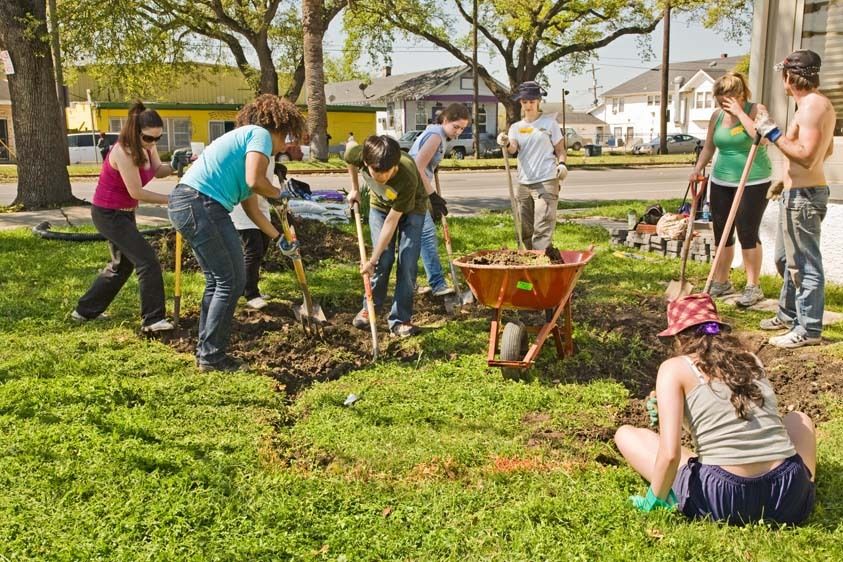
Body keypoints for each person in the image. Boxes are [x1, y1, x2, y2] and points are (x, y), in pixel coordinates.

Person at [614, 293, 816, 525]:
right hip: (787, 495)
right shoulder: (750, 359)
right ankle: (806, 487)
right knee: (799, 418)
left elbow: (670, 454)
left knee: (627, 434)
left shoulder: (673, 368)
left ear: (679, 338)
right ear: (720, 330)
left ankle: (668, 496)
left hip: (723, 498)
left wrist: (653, 502)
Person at [168, 95, 305, 372]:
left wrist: (279, 239)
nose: (283, 146)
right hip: (201, 204)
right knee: (231, 281)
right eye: (287, 137)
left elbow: (252, 207)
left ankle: (206, 353)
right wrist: (283, 193)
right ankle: (212, 358)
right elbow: (257, 181)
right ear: (280, 128)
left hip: (188, 204)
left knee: (217, 281)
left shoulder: (244, 147)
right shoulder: (259, 135)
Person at [754, 50, 836, 349]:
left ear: (789, 77)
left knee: (804, 264)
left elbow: (808, 156)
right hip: (795, 192)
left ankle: (809, 328)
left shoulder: (813, 106)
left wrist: (772, 132)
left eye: (783, 76)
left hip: (804, 198)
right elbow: (825, 152)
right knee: (785, 259)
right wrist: (784, 179)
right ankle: (789, 314)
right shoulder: (810, 106)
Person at [73, 102, 174, 332]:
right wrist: (170, 199)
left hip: (125, 214)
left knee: (121, 266)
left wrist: (180, 164)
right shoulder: (123, 151)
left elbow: (158, 170)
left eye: (158, 139)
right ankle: (153, 320)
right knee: (147, 260)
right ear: (136, 131)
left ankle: (84, 311)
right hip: (108, 214)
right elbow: (136, 192)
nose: (153, 143)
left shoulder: (147, 147)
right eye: (149, 138)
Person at [690, 72, 772, 306]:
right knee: (721, 232)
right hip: (721, 181)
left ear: (740, 95)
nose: (722, 105)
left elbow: (761, 137)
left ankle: (752, 286)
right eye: (719, 100)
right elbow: (709, 147)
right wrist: (698, 169)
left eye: (727, 100)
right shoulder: (716, 116)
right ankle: (722, 281)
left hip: (753, 180)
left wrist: (739, 113)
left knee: (748, 231)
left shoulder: (757, 110)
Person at [346, 135, 427, 338]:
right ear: (366, 163)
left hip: (413, 209)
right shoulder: (361, 153)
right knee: (384, 258)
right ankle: (369, 309)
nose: (381, 177)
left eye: (388, 172)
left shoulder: (407, 175)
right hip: (380, 207)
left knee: (407, 261)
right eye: (376, 172)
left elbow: (392, 222)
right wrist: (355, 189)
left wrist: (370, 261)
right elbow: (349, 157)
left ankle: (400, 320)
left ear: (395, 164)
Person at [496, 81, 567, 250]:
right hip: (524, 183)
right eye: (524, 101)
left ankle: (540, 264)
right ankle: (527, 262)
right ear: (520, 102)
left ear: (538, 102)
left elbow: (560, 149)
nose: (528, 105)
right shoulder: (516, 127)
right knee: (524, 228)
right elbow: (513, 148)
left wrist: (562, 164)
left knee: (542, 225)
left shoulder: (550, 124)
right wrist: (505, 142)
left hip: (546, 180)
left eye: (532, 101)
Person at [408, 103, 469, 296]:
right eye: (456, 127)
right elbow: (417, 167)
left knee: (413, 238)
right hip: (413, 190)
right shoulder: (435, 136)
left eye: (462, 129)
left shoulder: (437, 135)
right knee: (426, 236)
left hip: (416, 188)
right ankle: (437, 284)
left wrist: (433, 167)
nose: (458, 132)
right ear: (445, 120)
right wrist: (433, 196)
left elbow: (423, 163)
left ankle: (412, 283)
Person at [229, 157, 280, 311]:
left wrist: (276, 169)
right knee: (253, 251)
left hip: (262, 207)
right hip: (245, 209)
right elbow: (253, 179)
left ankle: (251, 287)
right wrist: (277, 193)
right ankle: (250, 293)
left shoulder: (271, 153)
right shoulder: (257, 149)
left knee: (262, 248)